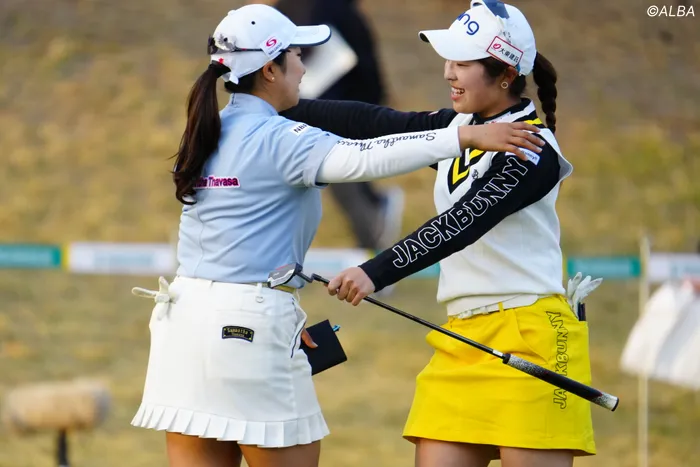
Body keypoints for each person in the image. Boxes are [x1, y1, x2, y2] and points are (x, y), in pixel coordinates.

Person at [128, 4, 545, 467]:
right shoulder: (283, 137)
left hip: (182, 326)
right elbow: (365, 157)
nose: (306, 67)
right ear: (270, 70)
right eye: (298, 56)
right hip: (250, 326)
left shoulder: (209, 127)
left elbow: (368, 122)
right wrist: (464, 138)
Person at [281, 1, 596, 465]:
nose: (449, 72)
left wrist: (374, 272)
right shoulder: (460, 129)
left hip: (531, 335)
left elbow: (462, 223)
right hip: (461, 337)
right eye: (449, 60)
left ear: (505, 74)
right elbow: (375, 124)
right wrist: (274, 106)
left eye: (463, 63)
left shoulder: (532, 147)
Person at [275, 0, 405, 253]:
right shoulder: (287, 9)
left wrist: (373, 104)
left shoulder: (335, 10)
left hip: (341, 108)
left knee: (342, 174)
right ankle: (372, 223)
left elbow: (365, 63)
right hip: (306, 107)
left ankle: (373, 233)